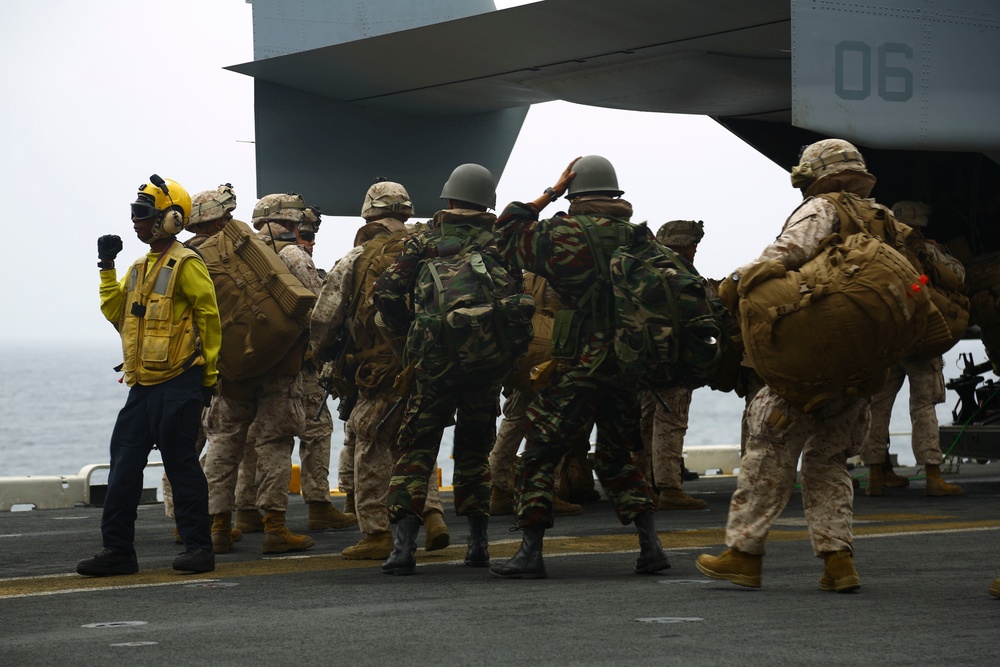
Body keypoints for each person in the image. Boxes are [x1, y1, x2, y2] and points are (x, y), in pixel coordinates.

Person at [696, 139, 877, 592]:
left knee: (767, 446)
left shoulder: (822, 208)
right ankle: (838, 562)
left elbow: (786, 254)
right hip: (861, 365)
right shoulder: (882, 220)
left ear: (813, 175)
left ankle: (743, 553)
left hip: (810, 358)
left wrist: (735, 284)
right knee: (829, 460)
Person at [490, 155, 671, 579]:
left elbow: (505, 231)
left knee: (539, 453)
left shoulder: (559, 233)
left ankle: (530, 553)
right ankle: (651, 546)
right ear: (616, 194)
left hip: (579, 365)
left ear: (575, 195)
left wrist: (549, 193)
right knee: (617, 457)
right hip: (627, 366)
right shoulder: (640, 238)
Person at [78, 175, 220, 576]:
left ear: (171, 219)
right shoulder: (139, 267)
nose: (135, 222)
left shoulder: (188, 264)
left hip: (180, 382)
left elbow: (210, 319)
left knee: (181, 464)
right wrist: (107, 267)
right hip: (142, 386)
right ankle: (118, 551)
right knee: (123, 465)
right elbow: (116, 313)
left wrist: (208, 376)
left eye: (143, 214)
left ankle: (199, 548)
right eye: (134, 214)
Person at [373, 165, 510, 575]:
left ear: (448, 200)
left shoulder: (423, 241)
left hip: (432, 365)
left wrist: (413, 337)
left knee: (415, 450)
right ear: (488, 201)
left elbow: (386, 293)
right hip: (486, 366)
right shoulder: (500, 243)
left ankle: (402, 550)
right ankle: (479, 546)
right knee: (474, 452)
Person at [311, 180, 450, 560]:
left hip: (381, 371)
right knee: (414, 443)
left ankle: (376, 533)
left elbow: (324, 318)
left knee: (370, 442)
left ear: (369, 212)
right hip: (433, 367)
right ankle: (434, 514)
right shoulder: (432, 249)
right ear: (406, 211)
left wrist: (319, 352)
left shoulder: (357, 257)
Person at [863, 201, 965, 498]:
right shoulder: (924, 249)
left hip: (888, 340)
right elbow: (958, 276)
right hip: (922, 337)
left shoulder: (875, 251)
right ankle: (933, 476)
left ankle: (875, 477)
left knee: (877, 407)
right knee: (923, 406)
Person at [636, 220, 709, 511]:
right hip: (674, 358)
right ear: (685, 244)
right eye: (693, 244)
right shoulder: (681, 272)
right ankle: (668, 487)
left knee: (644, 420)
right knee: (671, 420)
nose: (695, 249)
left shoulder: (643, 268)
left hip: (644, 357)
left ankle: (642, 484)